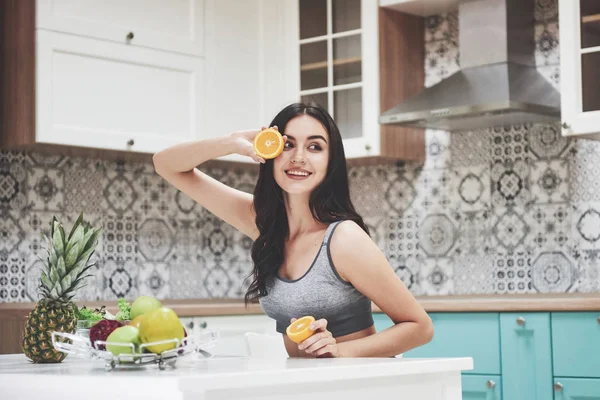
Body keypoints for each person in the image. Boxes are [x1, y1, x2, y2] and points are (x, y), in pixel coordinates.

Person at [153, 102, 433, 358]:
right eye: (287, 145)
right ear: (271, 152)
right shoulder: (264, 223)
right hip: (302, 385)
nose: (298, 157)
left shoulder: (343, 239)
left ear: (330, 161)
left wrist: (339, 350)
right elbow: (165, 164)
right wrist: (231, 142)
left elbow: (420, 327)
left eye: (314, 147)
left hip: (353, 385)